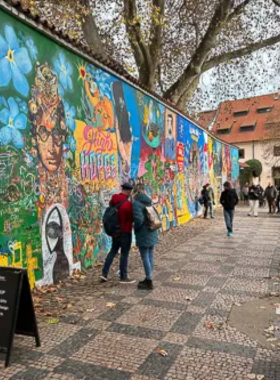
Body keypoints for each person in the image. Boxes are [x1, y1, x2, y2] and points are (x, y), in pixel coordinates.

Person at [100, 183, 135, 283]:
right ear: (128, 191)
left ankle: (104, 273)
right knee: (124, 254)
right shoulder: (127, 204)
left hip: (115, 232)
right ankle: (123, 276)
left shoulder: (114, 200)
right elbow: (131, 218)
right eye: (130, 192)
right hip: (125, 232)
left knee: (113, 251)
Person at [133, 190, 159, 290]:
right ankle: (149, 277)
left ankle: (149, 281)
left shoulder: (136, 204)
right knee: (150, 254)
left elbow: (138, 220)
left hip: (143, 234)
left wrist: (135, 228)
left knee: (145, 256)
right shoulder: (149, 202)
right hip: (152, 231)